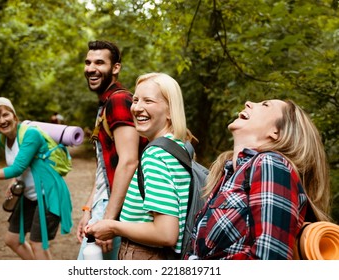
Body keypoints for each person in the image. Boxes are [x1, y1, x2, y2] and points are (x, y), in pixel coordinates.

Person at [184, 99, 331, 260]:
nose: (248, 102)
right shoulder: (227, 176)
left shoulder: (270, 163)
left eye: (265, 105)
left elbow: (269, 259)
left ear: (276, 132)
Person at [86, 72, 192, 260]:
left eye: (148, 101)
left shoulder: (156, 156)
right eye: (135, 100)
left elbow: (166, 233)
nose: (136, 108)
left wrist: (112, 226)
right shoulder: (179, 147)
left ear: (170, 111)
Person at [0, 97, 72, 260]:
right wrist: (14, 182)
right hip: (29, 195)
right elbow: (23, 164)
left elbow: (17, 168)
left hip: (48, 194)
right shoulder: (3, 140)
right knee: (12, 240)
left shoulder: (31, 134)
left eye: (6, 115)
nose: (2, 120)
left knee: (37, 244)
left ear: (14, 116)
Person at [76, 40, 147, 260]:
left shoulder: (118, 101)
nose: (91, 68)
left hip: (118, 206)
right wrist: (88, 208)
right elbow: (104, 167)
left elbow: (129, 162)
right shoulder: (105, 105)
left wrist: (108, 220)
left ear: (115, 68)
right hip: (105, 203)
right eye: (88, 62)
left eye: (99, 62)